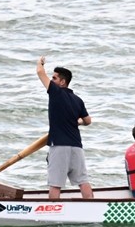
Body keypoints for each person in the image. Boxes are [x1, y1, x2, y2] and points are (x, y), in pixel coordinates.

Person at [36, 56, 93, 200]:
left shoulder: (56, 92)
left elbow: (39, 72)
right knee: (83, 182)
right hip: (76, 146)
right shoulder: (78, 100)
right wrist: (78, 122)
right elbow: (88, 121)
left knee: (55, 184)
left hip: (59, 146)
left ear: (62, 82)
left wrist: (40, 63)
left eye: (54, 78)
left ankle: (52, 214)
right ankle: (91, 209)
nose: (52, 80)